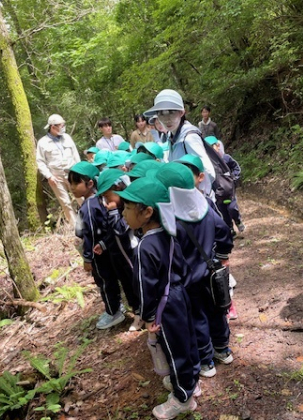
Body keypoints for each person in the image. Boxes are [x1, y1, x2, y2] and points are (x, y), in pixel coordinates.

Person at [118, 177, 200, 419]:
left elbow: (143, 287)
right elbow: (184, 268)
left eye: (128, 208)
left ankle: (183, 398)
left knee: (174, 350)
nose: (123, 213)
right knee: (187, 342)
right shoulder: (170, 234)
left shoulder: (144, 247)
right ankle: (191, 382)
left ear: (147, 212)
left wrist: (146, 315)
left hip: (163, 306)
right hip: (179, 296)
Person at [155, 163, 234, 379]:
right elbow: (224, 231)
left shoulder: (171, 219)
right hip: (211, 274)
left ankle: (206, 360)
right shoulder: (205, 204)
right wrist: (222, 256)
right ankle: (223, 348)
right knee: (218, 312)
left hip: (189, 280)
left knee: (198, 319)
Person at [68, 162, 137, 330]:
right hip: (107, 249)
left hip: (99, 255)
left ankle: (113, 311)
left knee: (104, 281)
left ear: (90, 183)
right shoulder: (99, 201)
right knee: (112, 280)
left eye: (76, 182)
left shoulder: (89, 206)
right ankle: (117, 307)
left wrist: (87, 257)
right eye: (70, 183)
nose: (72, 187)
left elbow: (89, 234)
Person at [95, 168, 143, 331]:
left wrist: (114, 211)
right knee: (127, 286)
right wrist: (103, 244)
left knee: (137, 283)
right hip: (118, 257)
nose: (106, 201)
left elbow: (121, 229)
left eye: (108, 196)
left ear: (119, 188)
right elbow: (110, 232)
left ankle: (144, 312)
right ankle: (137, 313)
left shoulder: (128, 207)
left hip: (132, 253)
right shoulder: (112, 210)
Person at [143, 90, 216, 197]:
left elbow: (209, 172)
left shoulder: (189, 137)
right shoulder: (171, 136)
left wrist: (198, 193)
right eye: (161, 114)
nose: (167, 119)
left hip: (198, 200)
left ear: (181, 112)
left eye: (171, 112)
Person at [36, 114, 81, 227]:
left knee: (81, 196)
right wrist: (49, 176)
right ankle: (74, 226)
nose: (63, 127)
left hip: (72, 173)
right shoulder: (43, 142)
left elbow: (75, 155)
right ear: (53, 127)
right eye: (61, 125)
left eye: (63, 125)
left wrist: (80, 170)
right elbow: (40, 161)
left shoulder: (67, 138)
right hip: (56, 176)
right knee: (65, 202)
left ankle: (91, 218)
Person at [205, 136, 246, 237]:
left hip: (229, 189)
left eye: (212, 146)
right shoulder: (207, 163)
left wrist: (234, 179)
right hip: (217, 191)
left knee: (232, 208)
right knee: (223, 211)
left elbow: (236, 167)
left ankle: (238, 221)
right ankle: (230, 228)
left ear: (218, 146)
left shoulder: (226, 158)